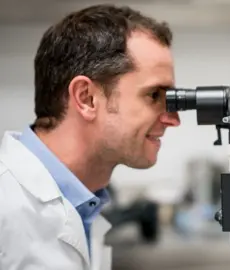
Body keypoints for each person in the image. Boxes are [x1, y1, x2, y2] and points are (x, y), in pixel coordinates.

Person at [0, 4, 180, 270]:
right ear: (86, 98)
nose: (173, 119)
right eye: (154, 96)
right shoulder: (7, 207)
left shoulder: (85, 207)